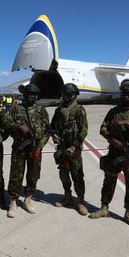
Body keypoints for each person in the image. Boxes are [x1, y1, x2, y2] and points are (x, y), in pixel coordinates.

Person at [89, 80, 129, 229]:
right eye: (124, 93)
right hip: (115, 152)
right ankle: (104, 208)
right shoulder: (114, 111)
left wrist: (126, 124)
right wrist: (112, 139)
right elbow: (103, 128)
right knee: (109, 181)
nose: (126, 97)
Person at [4, 84, 50, 218]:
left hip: (35, 148)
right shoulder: (16, 108)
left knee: (33, 174)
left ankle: (28, 199)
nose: (32, 97)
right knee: (16, 174)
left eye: (34, 94)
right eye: (29, 94)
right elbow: (7, 124)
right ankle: (13, 202)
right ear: (25, 95)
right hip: (19, 147)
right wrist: (18, 127)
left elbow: (47, 130)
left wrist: (40, 146)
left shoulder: (41, 110)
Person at [50, 83, 88, 215]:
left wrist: (74, 146)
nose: (65, 97)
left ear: (74, 95)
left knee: (77, 175)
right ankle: (67, 197)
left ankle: (81, 202)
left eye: (68, 95)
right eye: (64, 94)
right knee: (64, 173)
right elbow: (52, 126)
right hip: (62, 148)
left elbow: (84, 130)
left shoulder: (79, 110)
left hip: (74, 150)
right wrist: (54, 135)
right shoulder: (59, 110)